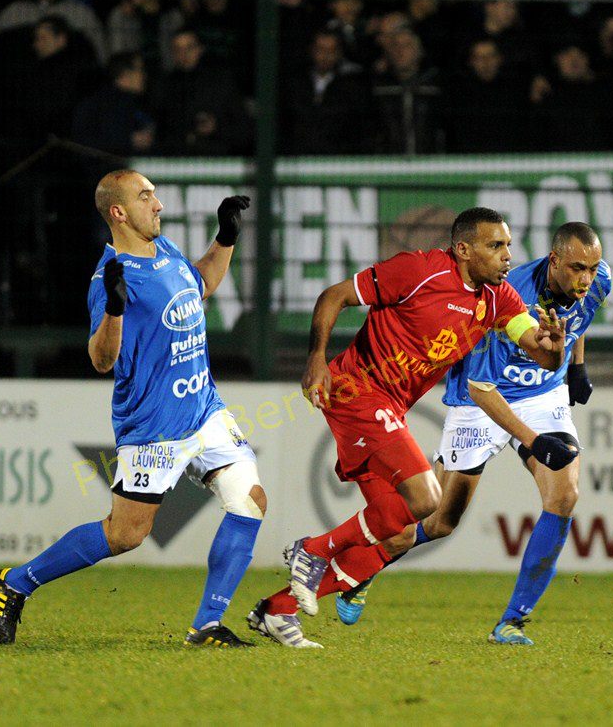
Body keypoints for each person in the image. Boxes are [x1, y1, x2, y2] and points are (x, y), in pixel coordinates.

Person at [245, 207, 578, 648]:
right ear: (463, 250)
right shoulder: (418, 271)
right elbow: (334, 295)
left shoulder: (498, 298)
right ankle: (314, 550)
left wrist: (554, 350)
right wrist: (316, 358)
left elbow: (537, 347)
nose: (507, 256)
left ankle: (277, 609)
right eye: (495, 246)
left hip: (390, 407)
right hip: (356, 391)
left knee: (399, 534)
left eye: (508, 246)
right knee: (426, 498)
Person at [0, 170, 265, 647]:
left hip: (205, 410)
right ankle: (14, 583)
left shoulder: (167, 250)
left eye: (154, 194)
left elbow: (200, 284)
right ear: (118, 212)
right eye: (145, 196)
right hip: (153, 426)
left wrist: (226, 238)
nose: (158, 204)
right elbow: (101, 359)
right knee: (126, 534)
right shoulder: (109, 277)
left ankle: (207, 625)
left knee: (250, 501)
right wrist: (114, 311)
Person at [334, 222, 611, 645]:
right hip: (480, 398)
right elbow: (481, 388)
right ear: (554, 260)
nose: (586, 278)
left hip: (542, 393)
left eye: (592, 269)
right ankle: (365, 564)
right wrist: (534, 441)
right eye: (577, 269)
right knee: (441, 520)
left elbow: (578, 315)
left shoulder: (597, 279)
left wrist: (576, 365)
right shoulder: (508, 296)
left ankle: (512, 621)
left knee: (565, 495)